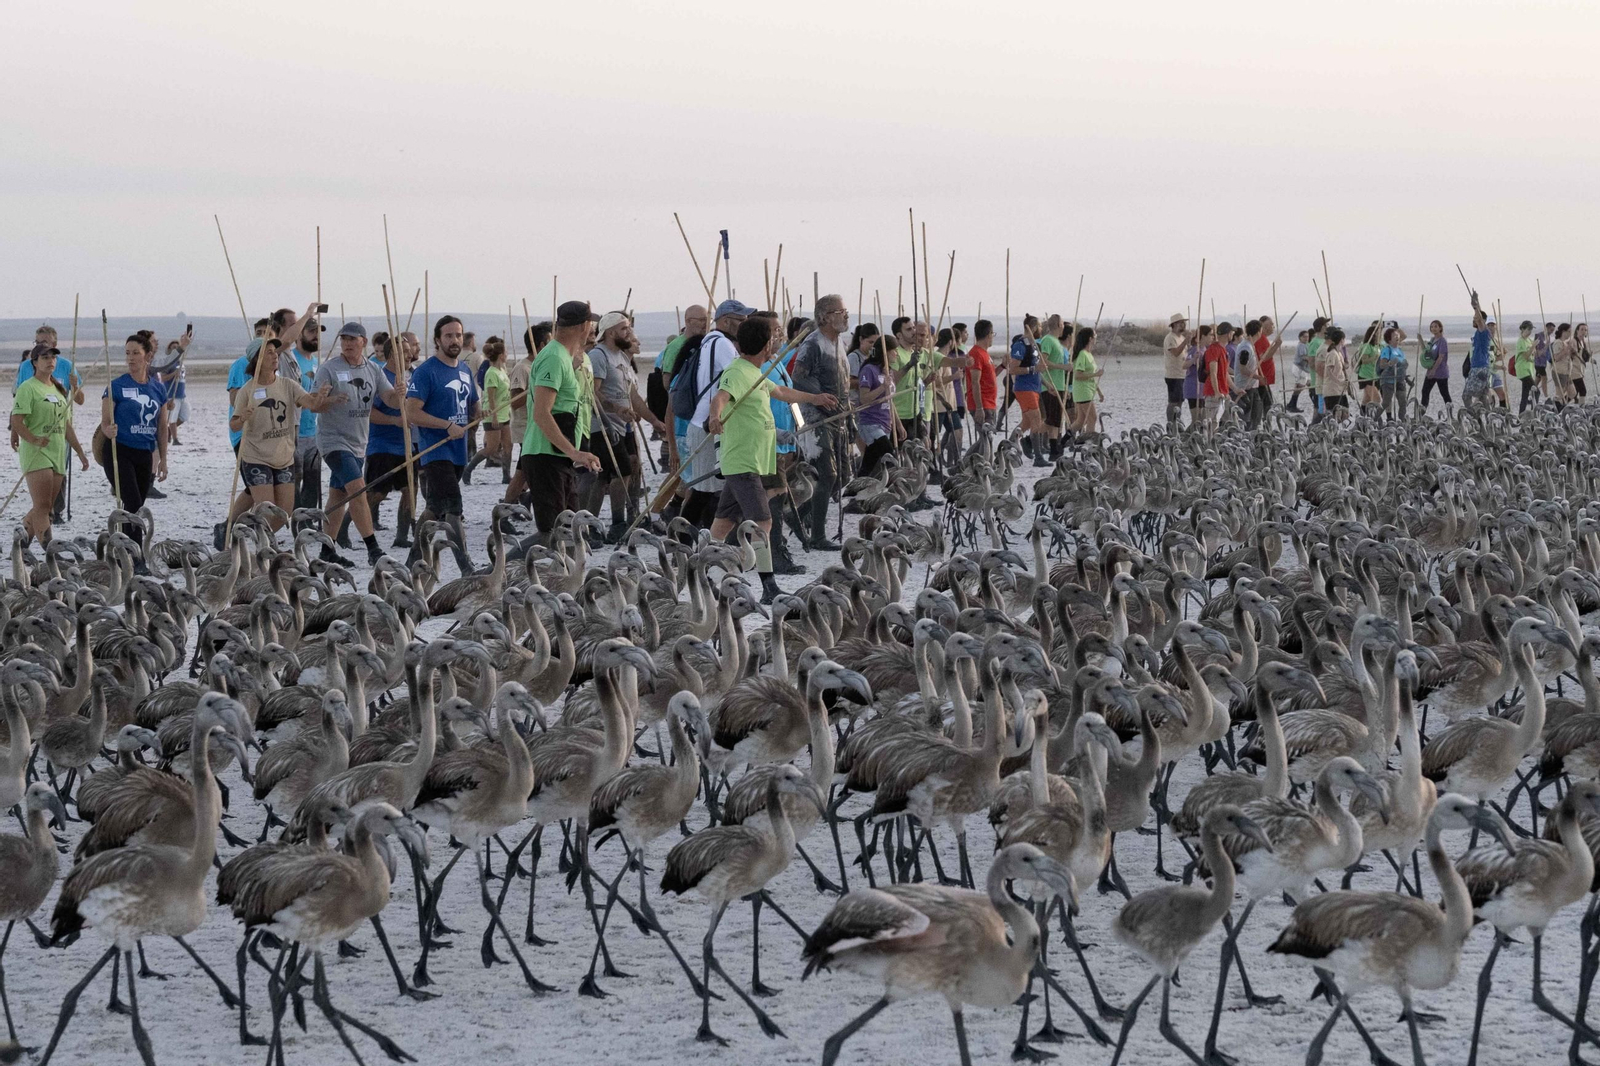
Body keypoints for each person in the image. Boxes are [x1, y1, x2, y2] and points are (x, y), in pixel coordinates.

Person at [706, 315, 837, 603]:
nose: (775, 342)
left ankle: (703, 570)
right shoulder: (738, 371)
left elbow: (780, 392)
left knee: (724, 522)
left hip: (754, 459)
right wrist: (715, 417)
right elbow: (722, 396)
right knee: (763, 522)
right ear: (765, 344)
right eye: (772, 339)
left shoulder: (758, 372)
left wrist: (815, 399)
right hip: (743, 461)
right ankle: (767, 586)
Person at [312, 321, 403, 567]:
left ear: (363, 341)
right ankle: (373, 548)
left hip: (358, 442)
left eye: (353, 339)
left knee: (337, 495)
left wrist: (400, 394)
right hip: (333, 441)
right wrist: (328, 399)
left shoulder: (373, 369)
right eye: (344, 339)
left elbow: (390, 399)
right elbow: (314, 404)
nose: (348, 344)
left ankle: (327, 550)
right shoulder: (328, 369)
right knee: (358, 489)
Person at [229, 335, 341, 526]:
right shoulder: (247, 391)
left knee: (283, 515)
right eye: (269, 353)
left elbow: (311, 404)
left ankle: (260, 539)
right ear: (256, 360)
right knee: (267, 510)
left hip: (283, 458)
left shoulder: (288, 385)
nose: (275, 357)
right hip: (256, 458)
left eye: (275, 352)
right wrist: (243, 418)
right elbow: (234, 424)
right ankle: (260, 547)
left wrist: (320, 397)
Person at [403, 315, 479, 574]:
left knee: (434, 508)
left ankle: (412, 557)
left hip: (459, 451)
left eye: (458, 335)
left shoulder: (465, 370)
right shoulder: (426, 372)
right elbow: (412, 412)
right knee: (453, 508)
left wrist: (479, 413)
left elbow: (473, 404)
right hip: (435, 450)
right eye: (448, 336)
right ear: (437, 340)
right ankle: (466, 567)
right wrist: (446, 425)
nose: (454, 340)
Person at [522, 301, 601, 541]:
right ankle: (500, 572)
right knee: (553, 535)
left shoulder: (565, 357)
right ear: (585, 326)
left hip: (559, 456)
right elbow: (541, 413)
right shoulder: (554, 357)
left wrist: (574, 453)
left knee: (570, 530)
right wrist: (575, 453)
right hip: (544, 455)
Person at [585, 312, 665, 540]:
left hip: (622, 426)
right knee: (617, 473)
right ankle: (615, 524)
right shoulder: (599, 356)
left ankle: (609, 523)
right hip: (602, 425)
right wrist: (616, 409)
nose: (629, 333)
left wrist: (654, 421)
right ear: (610, 332)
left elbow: (632, 395)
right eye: (624, 329)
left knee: (613, 475)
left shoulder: (621, 357)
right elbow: (593, 393)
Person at [682, 299, 753, 528]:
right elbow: (740, 375)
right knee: (706, 490)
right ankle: (685, 537)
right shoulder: (721, 344)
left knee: (709, 489)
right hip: (708, 424)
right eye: (741, 320)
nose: (745, 324)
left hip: (704, 422)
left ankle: (700, 537)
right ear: (725, 321)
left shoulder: (711, 341)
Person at [10, 346, 88, 546]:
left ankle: (20, 544)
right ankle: (51, 549)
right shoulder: (28, 387)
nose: (50, 360)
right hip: (36, 453)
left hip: (58, 451)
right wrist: (33, 439)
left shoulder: (58, 390)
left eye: (53, 357)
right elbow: (17, 421)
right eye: (45, 357)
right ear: (35, 363)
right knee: (43, 506)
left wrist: (80, 452)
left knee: (45, 507)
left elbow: (66, 425)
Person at [790, 293, 850, 551]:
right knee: (827, 473)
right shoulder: (813, 344)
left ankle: (797, 515)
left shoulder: (839, 343)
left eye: (845, 310)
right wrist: (820, 398)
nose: (845, 315)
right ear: (824, 317)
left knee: (843, 474)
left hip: (839, 416)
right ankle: (817, 536)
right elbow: (798, 377)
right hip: (816, 418)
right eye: (839, 312)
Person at [100, 333, 170, 547]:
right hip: (119, 450)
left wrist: (163, 459)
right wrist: (108, 429)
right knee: (131, 503)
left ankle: (123, 547)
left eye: (136, 353)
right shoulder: (116, 386)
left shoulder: (158, 389)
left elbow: (162, 428)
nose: (130, 358)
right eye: (127, 353)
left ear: (147, 356)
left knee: (137, 507)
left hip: (144, 453)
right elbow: (104, 422)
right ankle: (135, 554)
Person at [465, 336, 512, 485]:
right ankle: (469, 469)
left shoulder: (502, 371)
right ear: (500, 355)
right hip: (493, 415)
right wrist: (495, 416)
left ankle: (506, 475)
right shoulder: (491, 373)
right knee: (491, 448)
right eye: (506, 352)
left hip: (504, 413)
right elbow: (490, 397)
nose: (507, 355)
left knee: (508, 446)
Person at [1007, 315, 1046, 464]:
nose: (1041, 329)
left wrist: (1047, 385)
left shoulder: (1033, 344)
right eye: (1040, 326)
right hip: (1024, 388)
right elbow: (1013, 369)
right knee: (1037, 420)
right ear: (1034, 327)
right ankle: (1038, 456)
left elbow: (1037, 369)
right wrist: (1033, 368)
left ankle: (1009, 446)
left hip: (1034, 388)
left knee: (1026, 423)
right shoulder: (1020, 344)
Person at [855, 334, 896, 478]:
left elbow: (890, 401)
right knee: (890, 456)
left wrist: (898, 424)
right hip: (871, 423)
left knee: (870, 463)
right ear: (885, 352)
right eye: (894, 350)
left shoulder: (888, 371)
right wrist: (882, 387)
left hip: (885, 423)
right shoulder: (869, 369)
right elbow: (864, 398)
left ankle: (855, 493)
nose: (896, 354)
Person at [1038, 315, 1070, 458]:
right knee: (1051, 419)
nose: (1064, 326)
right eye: (1062, 323)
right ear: (1058, 324)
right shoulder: (1048, 340)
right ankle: (1028, 439)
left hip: (1059, 385)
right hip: (1050, 385)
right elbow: (1044, 362)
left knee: (1056, 420)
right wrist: (1062, 366)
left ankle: (1053, 450)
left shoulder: (1057, 342)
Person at [962, 319, 999, 429]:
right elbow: (975, 382)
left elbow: (990, 376)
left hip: (990, 402)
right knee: (986, 438)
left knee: (987, 438)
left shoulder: (984, 353)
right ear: (988, 335)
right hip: (983, 403)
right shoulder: (976, 353)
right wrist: (979, 407)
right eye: (992, 333)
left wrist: (1002, 366)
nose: (993, 336)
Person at [1068, 326, 1101, 438]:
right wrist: (1096, 374)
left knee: (1080, 421)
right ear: (1090, 338)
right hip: (1083, 391)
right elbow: (1078, 375)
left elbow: (1091, 377)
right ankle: (1088, 442)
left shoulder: (1088, 354)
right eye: (1095, 336)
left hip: (1088, 390)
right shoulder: (1082, 354)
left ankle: (1063, 441)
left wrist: (1099, 392)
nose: (1096, 338)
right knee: (1093, 418)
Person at [1201, 322, 1233, 429]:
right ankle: (1210, 444)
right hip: (1213, 394)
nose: (1232, 334)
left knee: (1229, 422)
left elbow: (1224, 373)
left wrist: (1235, 388)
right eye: (1231, 332)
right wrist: (1217, 392)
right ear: (1228, 334)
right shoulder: (1214, 349)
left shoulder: (1223, 349)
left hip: (1224, 393)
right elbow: (1213, 372)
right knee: (1213, 425)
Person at [1417, 320, 1450, 413]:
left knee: (1444, 393)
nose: (1433, 328)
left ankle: (1450, 413)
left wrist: (1434, 370)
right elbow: (1426, 352)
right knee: (1425, 391)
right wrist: (1420, 340)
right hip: (1430, 371)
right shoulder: (1432, 340)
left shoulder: (1442, 341)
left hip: (1440, 372)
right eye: (1432, 327)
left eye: (1436, 326)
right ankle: (1422, 413)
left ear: (1440, 328)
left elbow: (1441, 357)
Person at [1319, 326, 1351, 421]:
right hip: (1332, 390)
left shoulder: (1339, 353)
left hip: (1340, 389)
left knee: (1345, 414)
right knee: (1335, 415)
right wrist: (1338, 381)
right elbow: (1329, 371)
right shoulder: (1332, 353)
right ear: (1342, 340)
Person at [1162, 313, 1189, 426]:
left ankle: (1177, 421)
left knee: (1180, 401)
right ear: (1174, 325)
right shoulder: (1170, 338)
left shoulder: (1181, 338)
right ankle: (1170, 423)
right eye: (1180, 323)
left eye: (1184, 323)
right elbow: (1176, 352)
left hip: (1182, 374)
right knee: (1173, 401)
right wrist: (1186, 341)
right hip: (1173, 375)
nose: (1183, 325)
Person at [1377, 326, 1409, 419]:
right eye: (1394, 335)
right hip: (1388, 380)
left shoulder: (1400, 351)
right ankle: (1374, 419)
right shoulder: (1387, 350)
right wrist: (1390, 363)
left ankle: (1402, 419)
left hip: (1399, 380)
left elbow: (1402, 365)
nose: (1397, 337)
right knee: (1386, 402)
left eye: (1397, 335)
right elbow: (1382, 365)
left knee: (1403, 401)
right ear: (1389, 339)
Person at [1514, 320, 1537, 413]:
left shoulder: (1529, 340)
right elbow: (1526, 356)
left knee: (1525, 394)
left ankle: (1521, 414)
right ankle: (1534, 411)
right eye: (1528, 329)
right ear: (1523, 329)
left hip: (1529, 369)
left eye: (1531, 330)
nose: (1530, 332)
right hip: (1522, 370)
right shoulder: (1521, 341)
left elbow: (1533, 355)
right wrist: (1533, 347)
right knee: (1536, 391)